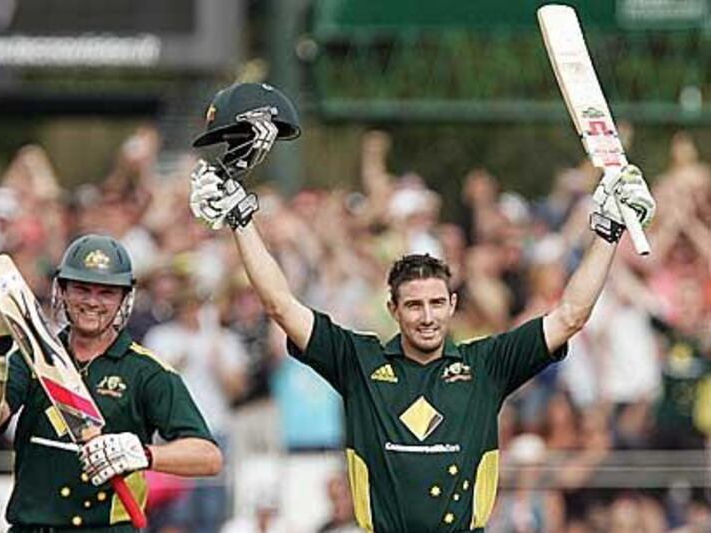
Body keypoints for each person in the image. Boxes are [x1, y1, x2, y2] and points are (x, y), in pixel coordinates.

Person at [187, 82, 657, 532]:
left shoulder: (486, 364)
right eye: (414, 305)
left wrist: (607, 233)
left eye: (436, 303)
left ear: (453, 305)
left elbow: (570, 315)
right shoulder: (359, 361)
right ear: (393, 309)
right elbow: (280, 304)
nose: (427, 316)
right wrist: (241, 220)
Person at [0, 234, 222, 531]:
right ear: (63, 290)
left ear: (125, 298)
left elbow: (208, 456)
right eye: (82, 289)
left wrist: (142, 454)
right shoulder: (32, 357)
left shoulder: (146, 371)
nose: (92, 302)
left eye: (106, 292)